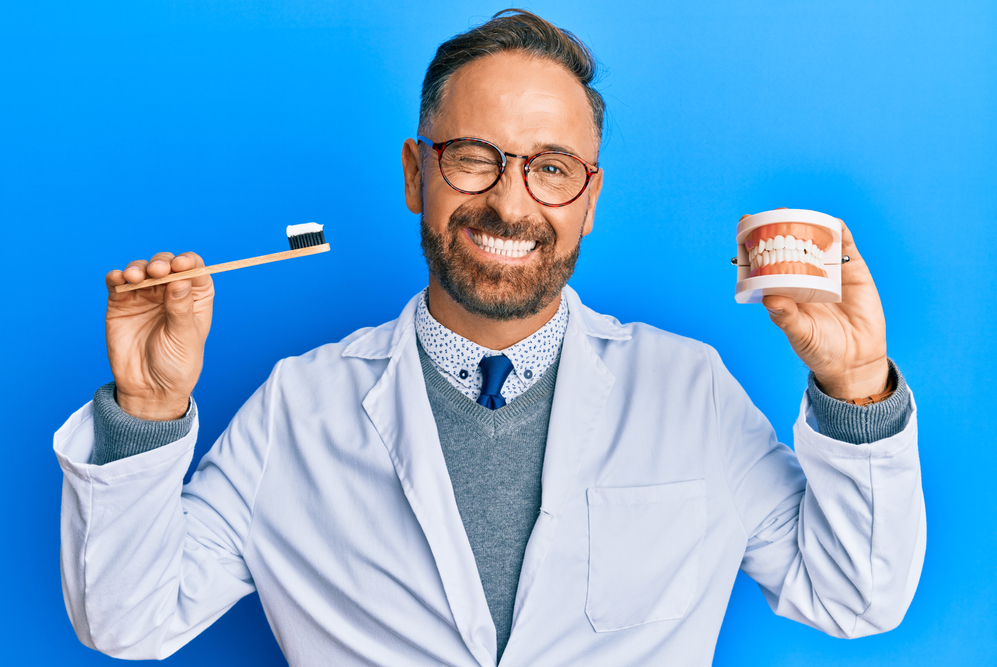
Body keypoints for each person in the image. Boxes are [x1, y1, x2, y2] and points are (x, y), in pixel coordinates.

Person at [54, 9, 924, 667]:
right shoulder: (298, 409)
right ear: (415, 173)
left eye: (551, 169)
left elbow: (855, 595)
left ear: (588, 201)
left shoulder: (688, 391)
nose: (511, 203)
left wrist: (855, 386)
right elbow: (128, 617)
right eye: (475, 156)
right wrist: (147, 407)